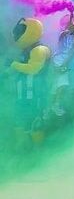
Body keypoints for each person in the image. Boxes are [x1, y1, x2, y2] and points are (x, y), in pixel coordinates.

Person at [9, 18, 52, 149]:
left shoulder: (40, 49)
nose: (17, 35)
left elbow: (34, 68)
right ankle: (22, 152)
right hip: (23, 97)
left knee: (35, 125)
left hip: (36, 97)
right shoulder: (26, 50)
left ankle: (39, 155)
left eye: (20, 31)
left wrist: (13, 64)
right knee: (20, 124)